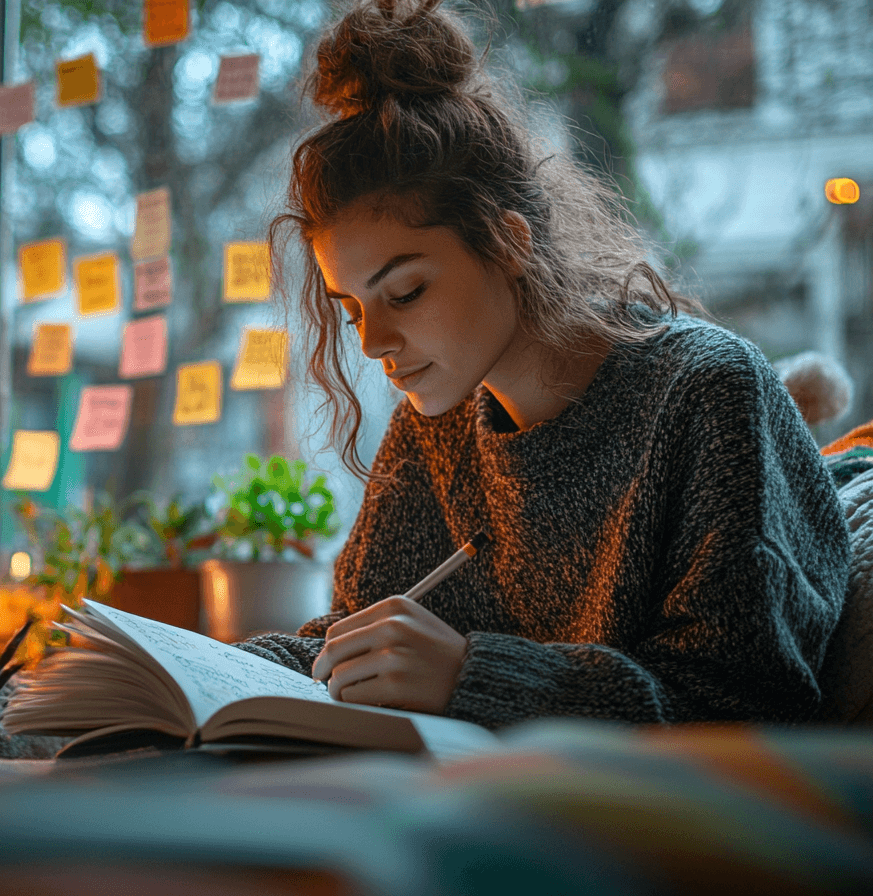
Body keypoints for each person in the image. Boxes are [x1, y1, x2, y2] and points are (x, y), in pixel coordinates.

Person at [237, 0, 850, 729]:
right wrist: (176, 671)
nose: (372, 343)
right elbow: (344, 646)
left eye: (406, 291)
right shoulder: (434, 428)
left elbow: (745, 708)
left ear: (510, 241)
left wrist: (472, 676)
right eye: (350, 308)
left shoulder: (707, 395)